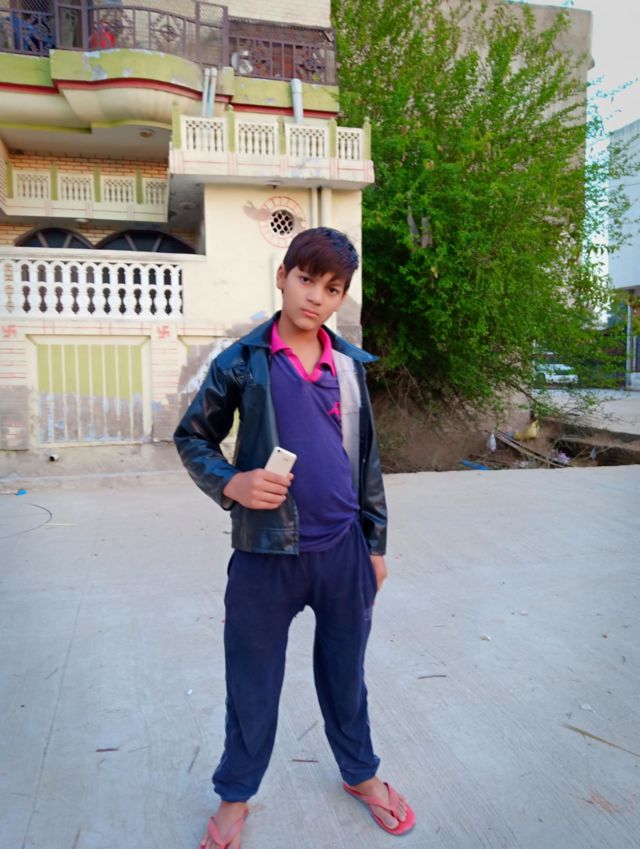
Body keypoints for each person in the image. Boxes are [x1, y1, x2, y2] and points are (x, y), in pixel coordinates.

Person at [174, 227, 415, 849]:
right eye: (306, 280)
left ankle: (360, 775)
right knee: (251, 682)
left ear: (341, 297)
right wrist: (232, 482)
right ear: (283, 276)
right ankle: (235, 796)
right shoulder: (242, 362)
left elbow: (367, 463)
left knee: (345, 675)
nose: (315, 297)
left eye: (331, 289)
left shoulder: (350, 367)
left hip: (343, 552)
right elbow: (192, 437)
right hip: (265, 557)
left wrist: (375, 547)